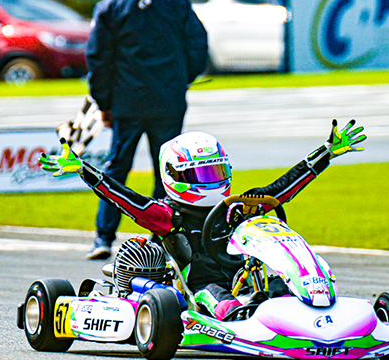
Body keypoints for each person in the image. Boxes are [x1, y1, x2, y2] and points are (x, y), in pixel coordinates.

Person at [39, 119, 366, 320]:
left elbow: (283, 188)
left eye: (215, 172)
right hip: (195, 293)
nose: (210, 181)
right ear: (174, 175)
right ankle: (238, 316)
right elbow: (127, 199)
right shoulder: (168, 215)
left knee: (282, 283)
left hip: (246, 284)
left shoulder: (238, 207)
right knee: (213, 293)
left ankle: (310, 313)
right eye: (201, 174)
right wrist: (86, 171)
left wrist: (326, 153)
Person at [83, 0, 209, 260]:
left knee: (115, 170)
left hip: (127, 103)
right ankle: (161, 237)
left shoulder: (110, 6)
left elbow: (97, 58)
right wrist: (184, 79)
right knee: (169, 170)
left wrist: (104, 102)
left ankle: (103, 237)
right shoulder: (176, 0)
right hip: (168, 100)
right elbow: (198, 44)